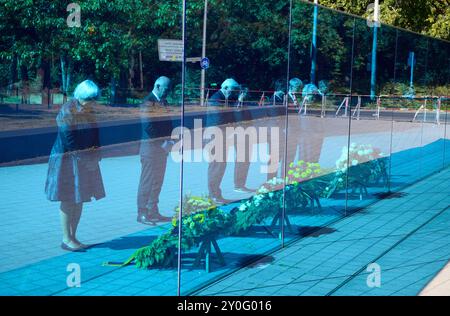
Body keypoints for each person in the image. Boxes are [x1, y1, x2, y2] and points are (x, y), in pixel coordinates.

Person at [45, 80, 105, 252]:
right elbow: (69, 141)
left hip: (84, 160)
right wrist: (85, 159)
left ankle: (74, 236)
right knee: (68, 198)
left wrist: (95, 156)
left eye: (95, 100)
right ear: (81, 97)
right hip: (67, 161)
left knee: (80, 199)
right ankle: (66, 238)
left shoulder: (89, 110)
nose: (93, 104)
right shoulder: (66, 111)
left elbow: (96, 136)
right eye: (91, 100)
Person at [137, 76, 173, 225]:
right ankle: (142, 213)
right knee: (147, 181)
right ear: (158, 86)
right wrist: (163, 143)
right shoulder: (147, 103)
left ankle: (153, 210)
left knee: (158, 181)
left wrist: (170, 141)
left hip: (161, 149)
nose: (169, 92)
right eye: (167, 89)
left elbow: (168, 123)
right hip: (150, 150)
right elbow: (149, 127)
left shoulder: (163, 102)